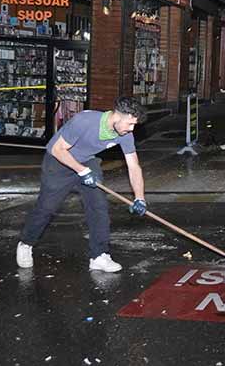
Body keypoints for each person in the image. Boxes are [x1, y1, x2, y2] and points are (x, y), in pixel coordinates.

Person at [16, 96, 148, 272]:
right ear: (118, 116)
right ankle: (26, 243)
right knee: (47, 208)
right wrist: (82, 171)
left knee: (98, 206)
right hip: (58, 162)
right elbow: (57, 149)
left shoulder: (125, 134)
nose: (131, 129)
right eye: (130, 124)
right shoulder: (85, 120)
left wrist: (140, 198)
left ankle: (99, 255)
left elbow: (134, 166)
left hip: (86, 161)